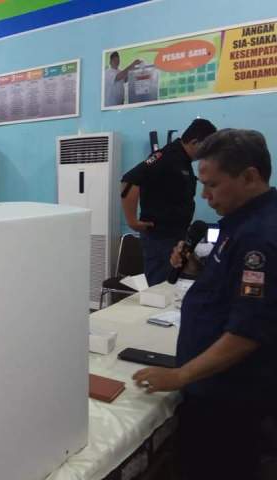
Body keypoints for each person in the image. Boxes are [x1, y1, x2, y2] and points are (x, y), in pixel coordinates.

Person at [132, 129, 277, 480]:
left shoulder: (260, 237)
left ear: (249, 177)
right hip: (212, 386)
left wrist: (179, 375)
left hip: (229, 397)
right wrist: (196, 269)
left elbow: (248, 331)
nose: (204, 195)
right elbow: (230, 286)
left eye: (212, 185)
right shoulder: (240, 221)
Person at [121, 118, 217, 285]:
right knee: (161, 289)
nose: (208, 154)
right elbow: (129, 179)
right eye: (207, 148)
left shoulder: (183, 161)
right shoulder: (165, 157)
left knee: (174, 287)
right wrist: (132, 221)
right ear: (195, 142)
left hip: (176, 236)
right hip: (160, 238)